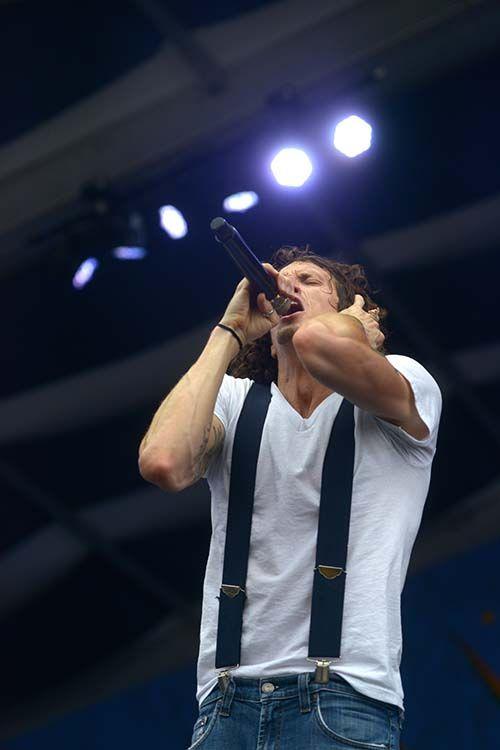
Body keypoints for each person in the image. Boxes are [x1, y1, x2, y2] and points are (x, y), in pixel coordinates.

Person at [139, 245, 442, 750]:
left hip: (343, 697)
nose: (287, 287)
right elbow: (164, 463)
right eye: (281, 282)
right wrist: (228, 333)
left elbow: (322, 349)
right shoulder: (235, 402)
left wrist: (352, 328)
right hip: (225, 702)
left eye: (309, 280)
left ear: (353, 309)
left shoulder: (407, 379)